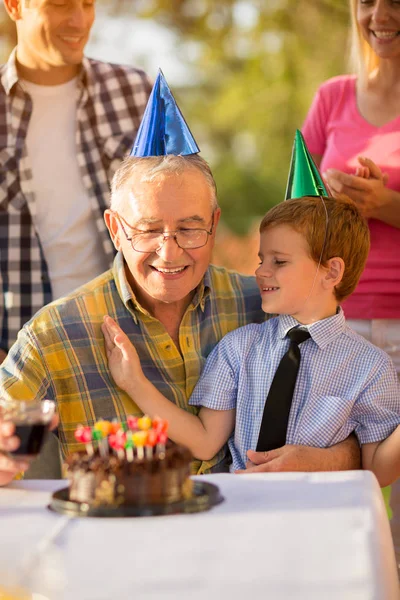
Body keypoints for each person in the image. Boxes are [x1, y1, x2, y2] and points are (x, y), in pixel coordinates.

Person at [0, 76, 360, 487]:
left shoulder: (262, 305)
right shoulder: (56, 332)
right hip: (118, 543)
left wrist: (330, 458)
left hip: (249, 537)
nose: (169, 253)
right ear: (115, 230)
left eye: (190, 229)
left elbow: (348, 414)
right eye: (148, 230)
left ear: (214, 223)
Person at [102, 194, 400, 485]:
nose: (261, 271)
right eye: (262, 260)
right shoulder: (239, 348)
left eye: (279, 261)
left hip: (321, 518)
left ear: (331, 271)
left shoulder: (372, 367)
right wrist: (134, 383)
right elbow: (205, 442)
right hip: (243, 509)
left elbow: (379, 470)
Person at [301, 0, 400, 570]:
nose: (379, 13)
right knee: (338, 479)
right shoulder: (332, 97)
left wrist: (389, 204)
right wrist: (330, 203)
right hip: (342, 326)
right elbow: (295, 210)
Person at [0, 0, 151, 360]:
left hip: (131, 345)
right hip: (19, 355)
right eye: (60, 4)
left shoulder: (135, 92)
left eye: (87, 4)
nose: (79, 20)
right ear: (14, 6)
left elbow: (182, 213)